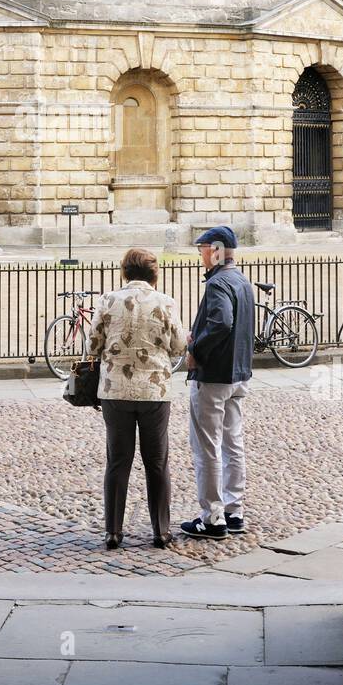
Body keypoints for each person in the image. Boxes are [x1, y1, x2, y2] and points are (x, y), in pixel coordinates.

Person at [88, 248, 188, 550]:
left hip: (115, 390)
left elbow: (94, 345)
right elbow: (178, 346)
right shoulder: (166, 303)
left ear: (125, 273)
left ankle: (113, 532)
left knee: (117, 461)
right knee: (156, 461)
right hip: (153, 391)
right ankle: (160, 530)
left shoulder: (107, 300)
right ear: (154, 274)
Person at [180, 226, 255, 541]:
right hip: (238, 375)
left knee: (207, 447)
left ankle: (212, 518)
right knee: (232, 443)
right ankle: (233, 511)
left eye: (202, 250)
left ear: (215, 250)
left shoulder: (219, 284)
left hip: (213, 377)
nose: (200, 257)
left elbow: (222, 322)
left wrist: (196, 350)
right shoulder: (243, 282)